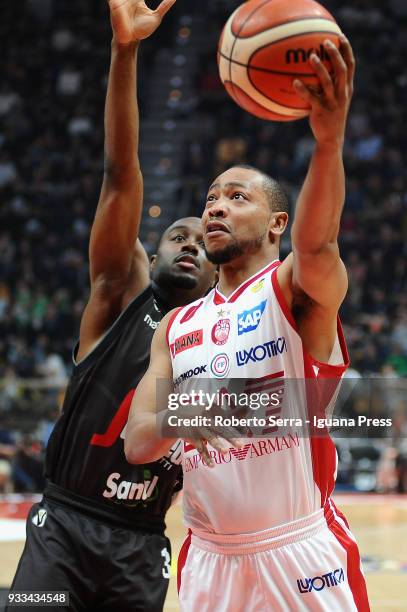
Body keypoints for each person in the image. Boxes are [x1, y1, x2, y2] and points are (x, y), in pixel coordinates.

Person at [125, 36, 371, 611]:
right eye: (211, 197)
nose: (214, 207)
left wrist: (328, 142)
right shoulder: (175, 326)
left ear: (276, 223)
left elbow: (320, 243)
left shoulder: (292, 290)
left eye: (237, 197)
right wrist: (186, 409)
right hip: (209, 556)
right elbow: (138, 442)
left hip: (299, 551)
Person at [9, 1, 215, 611]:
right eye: (179, 235)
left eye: (204, 244)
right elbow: (121, 177)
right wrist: (124, 53)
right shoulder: (119, 293)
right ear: (150, 253)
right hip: (66, 526)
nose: (190, 246)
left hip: (142, 538)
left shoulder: (221, 331)